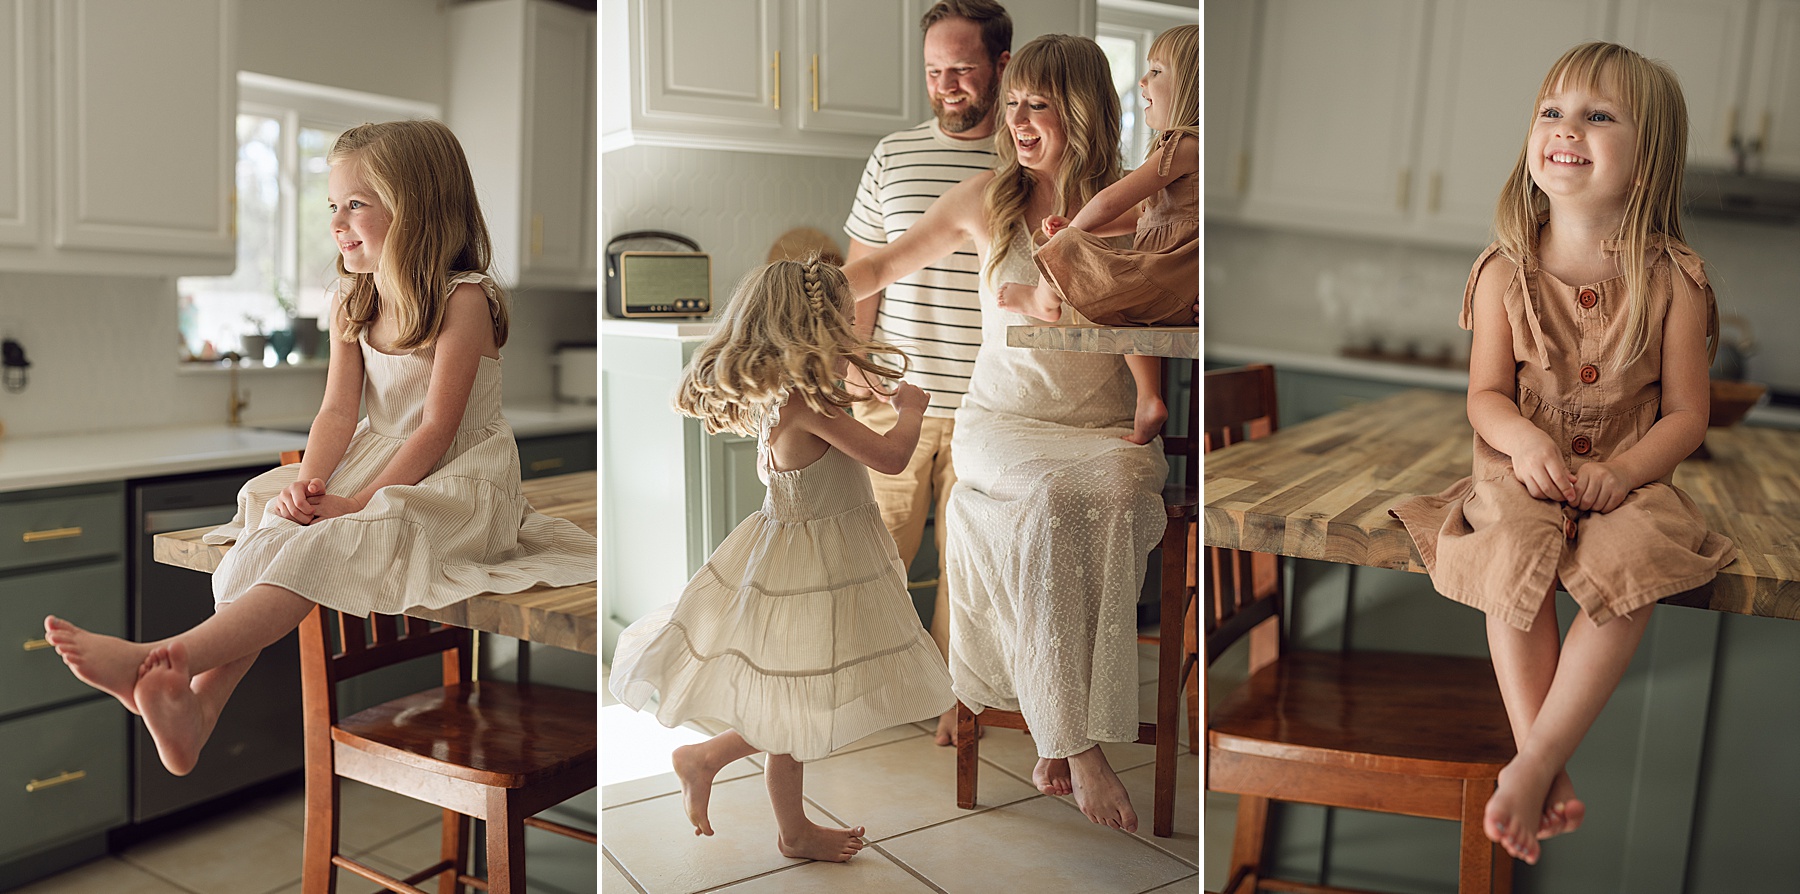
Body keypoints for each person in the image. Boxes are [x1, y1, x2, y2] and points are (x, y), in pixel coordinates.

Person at [44, 119, 597, 777]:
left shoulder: (463, 300)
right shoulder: (352, 295)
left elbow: (435, 431)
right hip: (386, 458)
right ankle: (200, 707)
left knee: (338, 533)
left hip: (458, 479)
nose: (338, 220)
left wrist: (357, 501)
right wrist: (312, 482)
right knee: (274, 515)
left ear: (414, 207)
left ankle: (162, 658)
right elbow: (338, 411)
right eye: (333, 204)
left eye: (356, 203)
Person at [1390, 42, 1736, 865]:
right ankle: (1544, 762)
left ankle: (1534, 765)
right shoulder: (1504, 273)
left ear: (1648, 152)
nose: (1566, 128)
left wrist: (1623, 471)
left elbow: (1689, 415)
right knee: (1512, 555)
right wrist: (1525, 441)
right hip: (1519, 471)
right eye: (1552, 111)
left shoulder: (1676, 282)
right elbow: (1485, 398)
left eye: (1598, 114)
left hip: (1629, 475)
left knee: (1638, 564)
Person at [842, 34, 1169, 834]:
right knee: (1053, 502)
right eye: (1013, 103)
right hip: (1003, 421)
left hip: (1098, 425)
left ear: (1081, 110)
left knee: (1122, 492)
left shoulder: (1133, 207)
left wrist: (1150, 401)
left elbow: (1148, 320)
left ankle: (1052, 716)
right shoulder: (982, 198)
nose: (1019, 120)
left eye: (1039, 105)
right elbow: (876, 268)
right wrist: (794, 308)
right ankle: (1074, 743)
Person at [608, 258, 955, 862]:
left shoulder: (789, 400)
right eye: (846, 328)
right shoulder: (807, 409)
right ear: (819, 334)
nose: (854, 339)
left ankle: (758, 801)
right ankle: (730, 777)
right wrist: (912, 414)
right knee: (794, 702)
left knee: (795, 699)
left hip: (806, 559)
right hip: (810, 572)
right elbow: (893, 459)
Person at [843, 0, 1011, 747]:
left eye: (962, 69)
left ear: (1001, 66)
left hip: (989, 403)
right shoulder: (893, 154)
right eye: (934, 71)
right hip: (894, 397)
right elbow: (863, 271)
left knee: (967, 568)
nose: (946, 86)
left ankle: (955, 702)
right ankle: (859, 693)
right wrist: (853, 363)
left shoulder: (1024, 158)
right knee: (872, 554)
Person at [995, 23, 1197, 447]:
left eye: (1157, 72)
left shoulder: (1182, 146)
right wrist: (1079, 230)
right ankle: (1149, 398)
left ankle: (1040, 300)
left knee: (1077, 261)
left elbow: (1111, 202)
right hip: (1175, 284)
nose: (1143, 81)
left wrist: (1071, 235)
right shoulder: (1188, 154)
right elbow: (1145, 214)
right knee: (1127, 312)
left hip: (1165, 276)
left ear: (1192, 85)